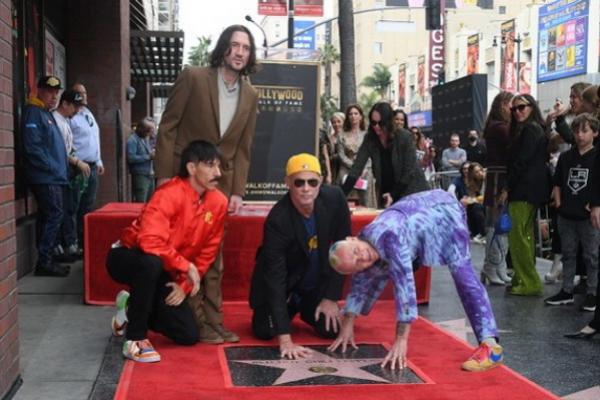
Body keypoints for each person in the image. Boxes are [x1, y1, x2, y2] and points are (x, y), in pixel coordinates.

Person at [154, 25, 259, 343]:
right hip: (183, 182)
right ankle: (193, 321)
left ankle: (214, 321)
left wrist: (238, 190)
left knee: (214, 256)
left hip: (219, 186)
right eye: (235, 45)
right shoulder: (194, 77)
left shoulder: (251, 94)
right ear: (223, 48)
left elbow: (243, 147)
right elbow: (168, 126)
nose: (240, 52)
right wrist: (163, 176)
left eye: (246, 47)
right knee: (181, 250)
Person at [328, 189, 503, 372]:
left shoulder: (390, 237)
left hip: (444, 213)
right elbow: (360, 281)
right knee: (372, 268)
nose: (362, 257)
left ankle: (490, 346)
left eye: (356, 252)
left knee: (463, 276)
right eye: (356, 264)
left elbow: (405, 289)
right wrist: (347, 323)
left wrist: (401, 340)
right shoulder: (365, 241)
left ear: (352, 238)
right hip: (420, 211)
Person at [106, 140, 227, 363]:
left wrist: (184, 285)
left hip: (166, 266)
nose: (217, 173)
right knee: (150, 263)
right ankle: (135, 340)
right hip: (128, 256)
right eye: (210, 166)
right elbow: (149, 241)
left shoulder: (219, 202)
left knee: (187, 334)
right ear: (192, 168)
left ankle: (129, 306)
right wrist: (184, 266)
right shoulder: (168, 193)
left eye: (218, 166)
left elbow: (208, 252)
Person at [249, 154, 351, 359]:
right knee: (265, 331)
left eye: (312, 182)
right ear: (288, 183)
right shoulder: (278, 219)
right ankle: (289, 309)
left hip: (314, 284)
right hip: (285, 285)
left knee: (330, 330)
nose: (306, 188)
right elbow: (275, 277)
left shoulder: (335, 199)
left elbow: (344, 249)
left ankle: (306, 308)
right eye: (299, 182)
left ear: (320, 182)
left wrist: (331, 297)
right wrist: (285, 339)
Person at [544, 114, 599, 311]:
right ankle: (566, 290)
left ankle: (593, 293)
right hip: (566, 214)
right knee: (568, 254)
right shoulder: (566, 157)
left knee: (592, 256)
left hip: (588, 216)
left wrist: (595, 205)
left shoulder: (597, 156)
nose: (579, 135)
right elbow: (558, 182)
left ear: (595, 132)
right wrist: (558, 203)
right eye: (576, 131)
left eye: (585, 131)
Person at [22, 76, 70, 277]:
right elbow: (33, 147)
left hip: (52, 176)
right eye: (50, 91)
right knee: (54, 214)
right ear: (39, 90)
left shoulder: (45, 113)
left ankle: (47, 258)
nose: (54, 96)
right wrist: (53, 168)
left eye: (57, 92)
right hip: (45, 177)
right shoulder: (34, 112)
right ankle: (45, 260)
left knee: (49, 215)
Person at [341, 102, 429, 208]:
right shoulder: (370, 139)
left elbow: (408, 171)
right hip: (387, 191)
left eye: (381, 123)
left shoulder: (404, 137)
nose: (377, 127)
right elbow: (357, 168)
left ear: (388, 121)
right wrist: (341, 195)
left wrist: (393, 194)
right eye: (373, 123)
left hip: (412, 190)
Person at [505, 94, 550, 296]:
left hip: (524, 189)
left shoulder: (530, 130)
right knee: (525, 236)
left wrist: (506, 188)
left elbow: (522, 162)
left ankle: (529, 281)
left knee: (519, 237)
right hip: (527, 189)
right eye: (514, 109)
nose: (517, 112)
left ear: (532, 107)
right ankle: (523, 278)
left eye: (522, 107)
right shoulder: (532, 129)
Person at [52, 89, 90, 262]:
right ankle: (60, 247)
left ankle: (67, 246)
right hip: (59, 172)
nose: (77, 110)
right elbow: (58, 151)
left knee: (69, 209)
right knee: (61, 211)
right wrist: (77, 162)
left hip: (66, 171)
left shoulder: (65, 121)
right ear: (65, 103)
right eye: (74, 106)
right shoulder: (55, 121)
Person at [481, 91, 513, 286]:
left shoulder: (496, 126)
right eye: (511, 105)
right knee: (496, 224)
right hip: (497, 178)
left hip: (500, 176)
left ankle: (496, 267)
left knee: (502, 225)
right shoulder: (499, 127)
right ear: (502, 105)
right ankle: (491, 267)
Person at [70, 83, 104, 253]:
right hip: (78, 167)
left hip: (92, 166)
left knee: (88, 206)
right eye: (79, 93)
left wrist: (99, 161)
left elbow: (94, 138)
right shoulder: (72, 116)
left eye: (84, 92)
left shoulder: (87, 113)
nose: (83, 96)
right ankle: (74, 242)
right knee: (75, 205)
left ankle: (85, 242)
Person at [336, 104, 376, 207]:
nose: (353, 116)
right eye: (350, 114)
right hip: (346, 169)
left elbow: (371, 155)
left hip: (365, 169)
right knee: (343, 200)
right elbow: (341, 155)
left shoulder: (367, 134)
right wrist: (354, 166)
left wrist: (365, 168)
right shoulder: (342, 134)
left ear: (361, 116)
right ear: (347, 117)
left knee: (366, 202)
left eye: (355, 113)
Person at [127, 117, 156, 202]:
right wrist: (148, 156)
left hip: (150, 175)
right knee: (141, 203)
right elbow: (131, 158)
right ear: (142, 129)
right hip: (140, 176)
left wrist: (152, 153)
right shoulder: (132, 140)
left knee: (150, 203)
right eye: (148, 131)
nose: (149, 134)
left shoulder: (145, 139)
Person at [320, 112, 344, 185]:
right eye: (334, 122)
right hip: (332, 169)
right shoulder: (328, 138)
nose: (336, 124)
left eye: (339, 121)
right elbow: (325, 154)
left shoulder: (348, 137)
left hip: (344, 169)